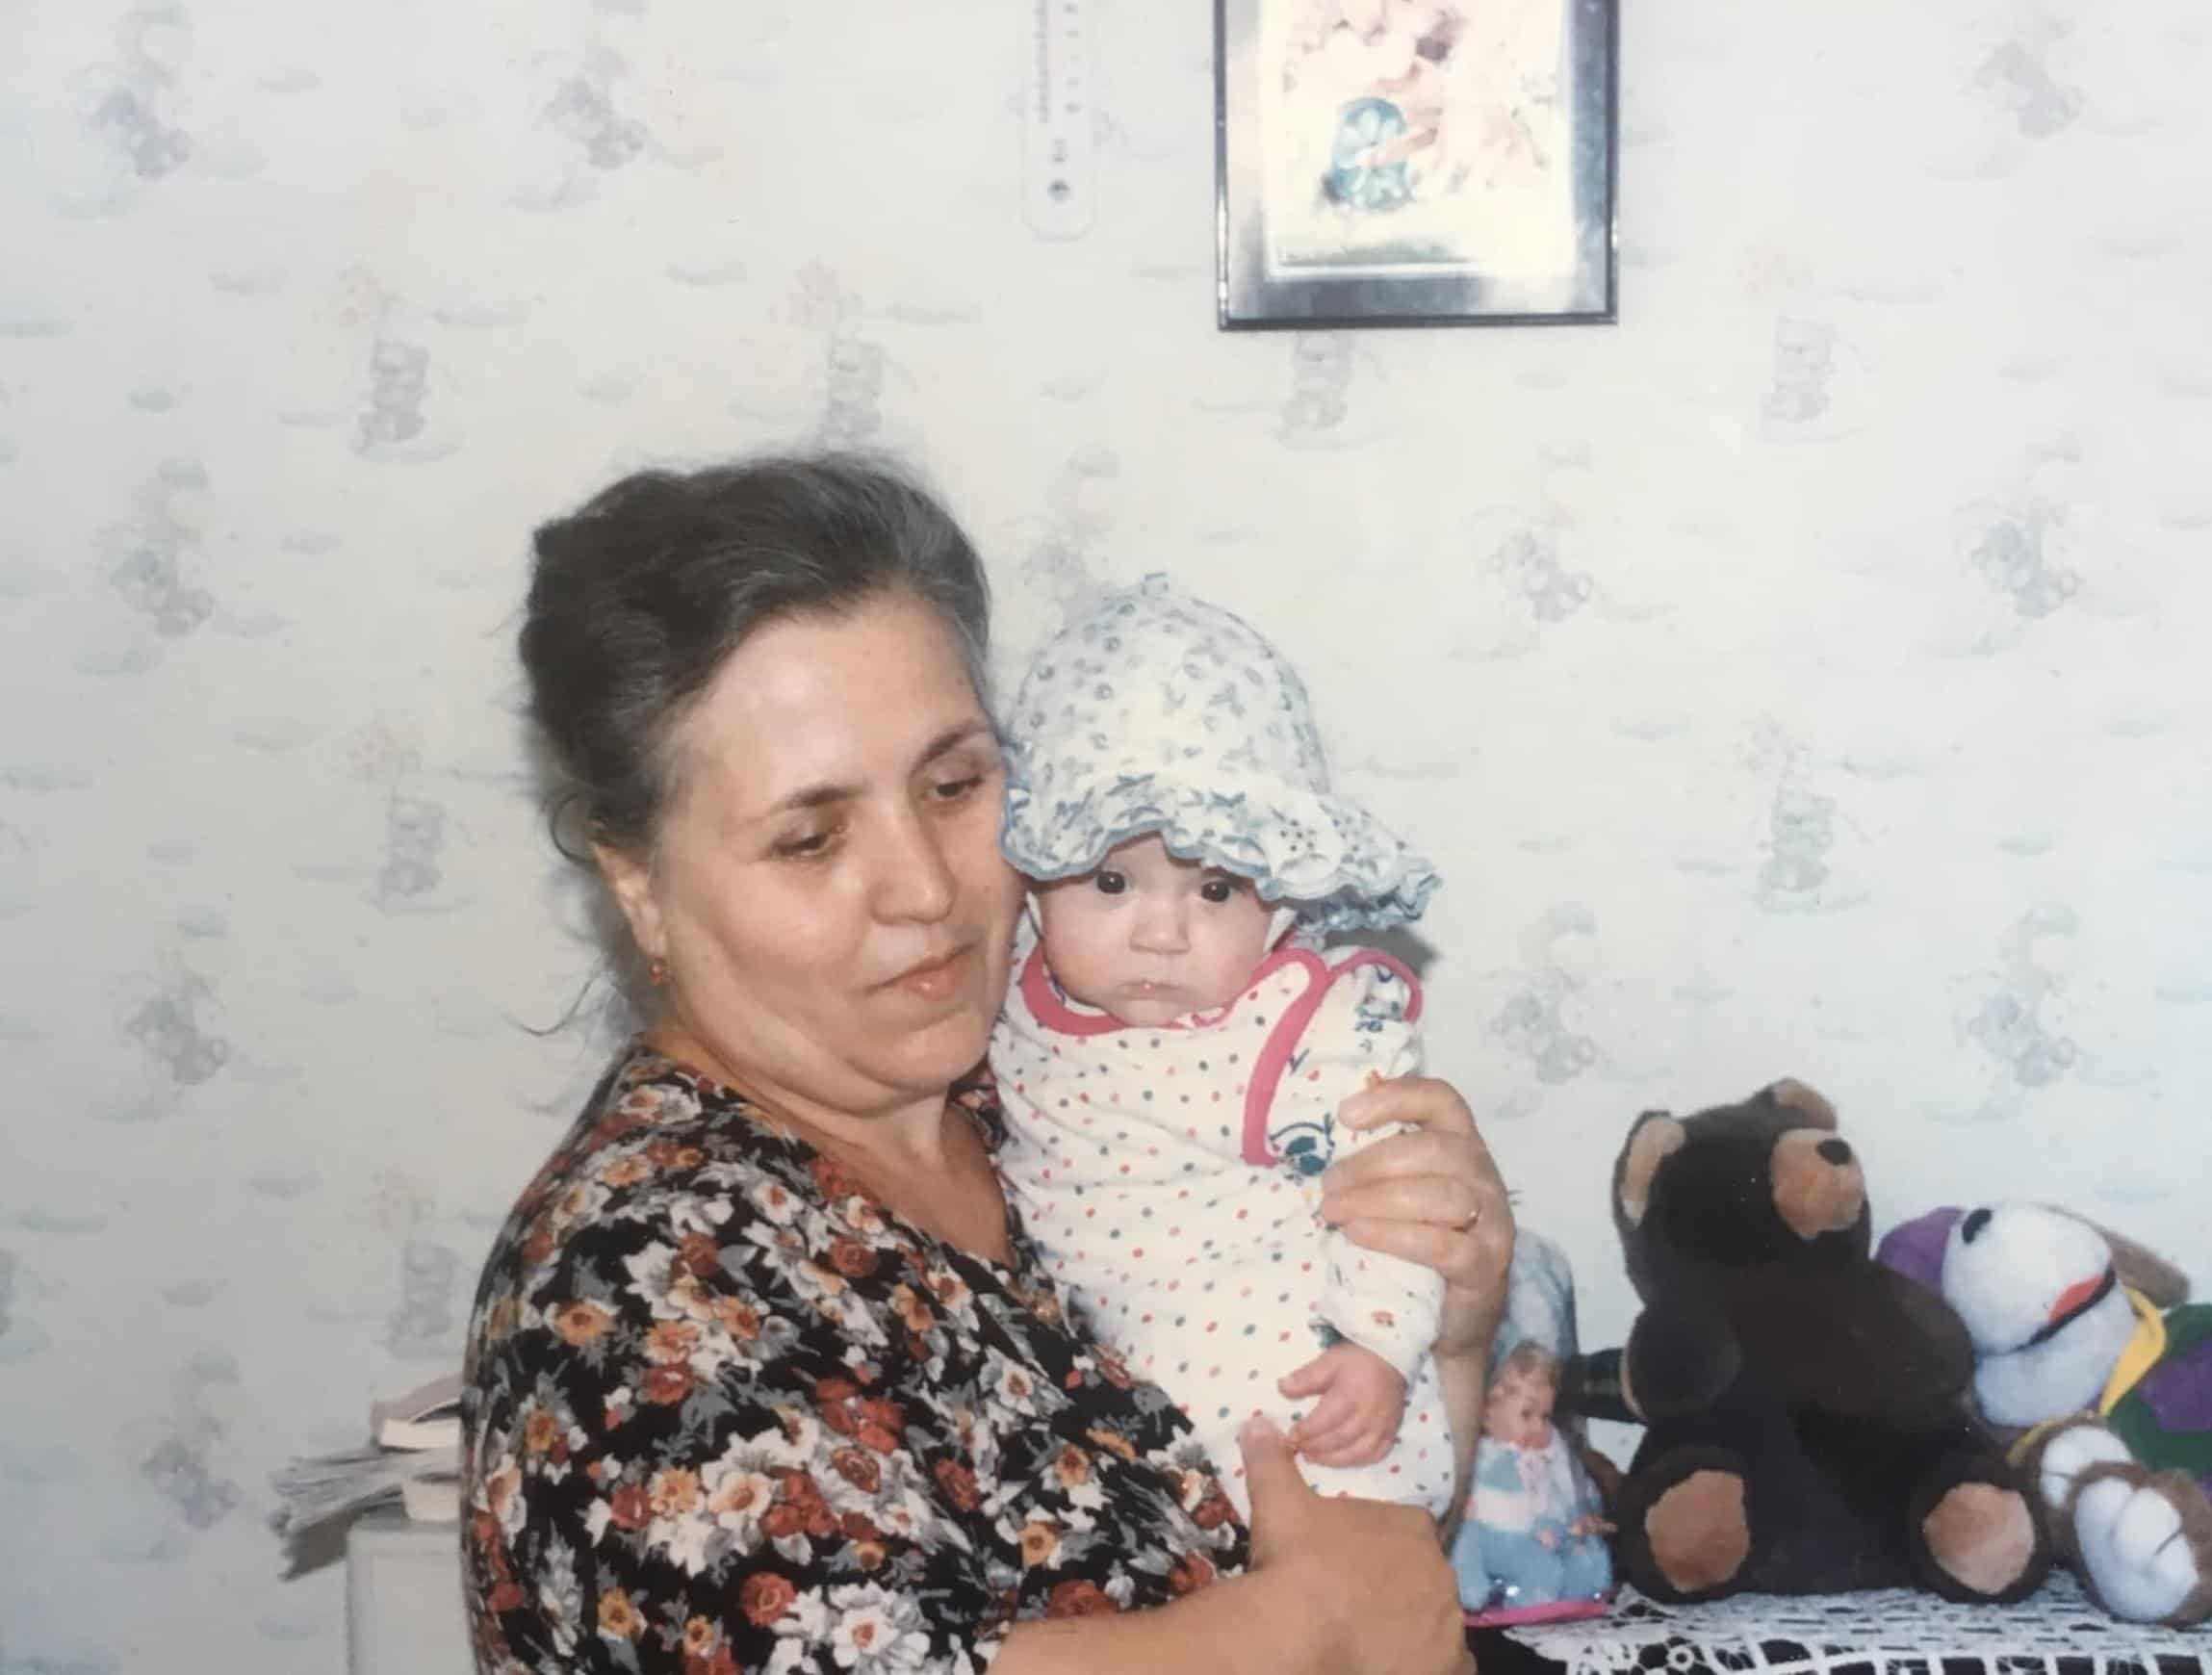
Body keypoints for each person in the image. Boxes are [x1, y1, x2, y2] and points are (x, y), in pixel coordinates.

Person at [461, 452, 1514, 1675]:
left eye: (956, 784)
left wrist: (1439, 1328)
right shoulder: (644, 1285)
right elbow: (1349, 1612)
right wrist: (1315, 1631)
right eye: (812, 838)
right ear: (639, 886)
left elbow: (1353, 1544)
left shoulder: (1057, 1085)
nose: (925, 887)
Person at [990, 577, 1454, 1519]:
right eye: (1113, 881)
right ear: (1034, 885)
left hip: (1309, 1401)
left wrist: (1379, 1348)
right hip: (1125, 1424)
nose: (1162, 933)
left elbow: (1398, 1196)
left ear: (1279, 901)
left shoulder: (1307, 1025)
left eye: (1213, 894)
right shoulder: (999, 1006)